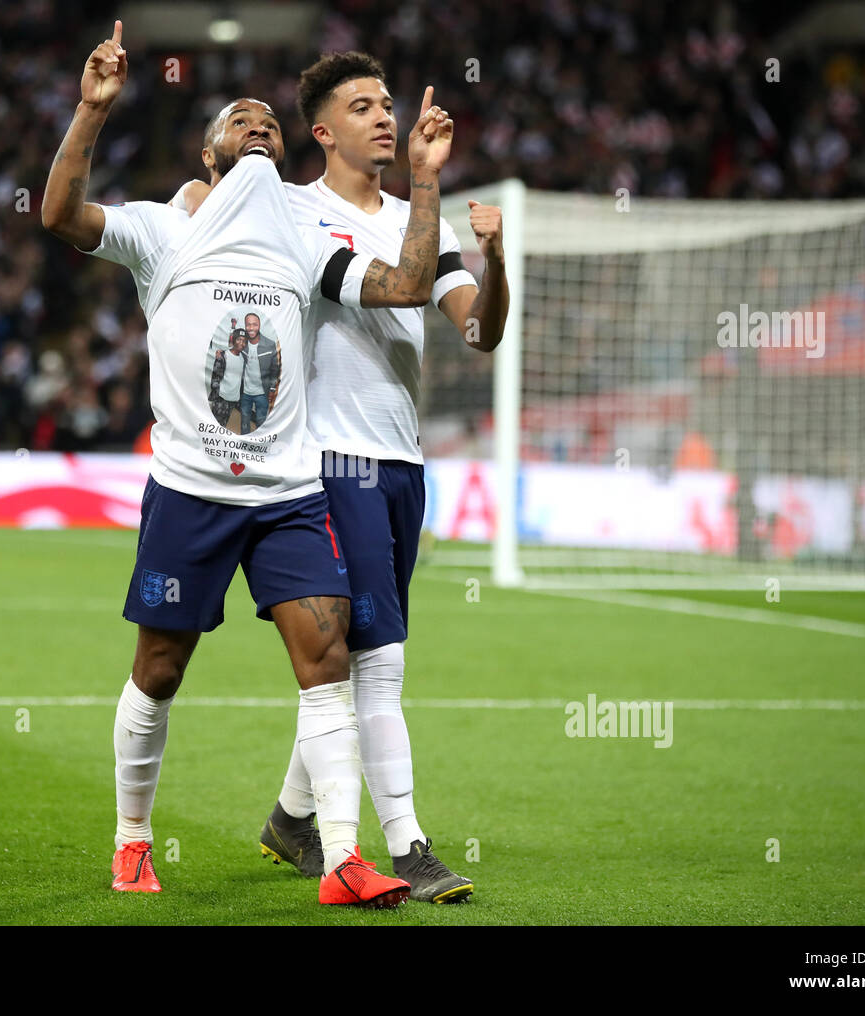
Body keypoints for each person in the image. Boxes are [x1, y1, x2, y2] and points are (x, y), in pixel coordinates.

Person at [41, 22, 455, 907]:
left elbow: (410, 286)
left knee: (329, 657)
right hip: (190, 489)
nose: (261, 127)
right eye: (242, 121)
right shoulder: (165, 230)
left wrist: (422, 181)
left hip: (289, 492)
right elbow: (60, 217)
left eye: (271, 122)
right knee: (160, 668)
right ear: (210, 149)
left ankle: (343, 858)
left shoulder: (303, 242)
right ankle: (132, 841)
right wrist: (90, 111)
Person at [176, 51, 509, 903]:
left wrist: (492, 258)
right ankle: (410, 841)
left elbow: (480, 333)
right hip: (330, 461)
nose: (387, 117)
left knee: (356, 661)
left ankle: (292, 819)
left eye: (389, 103)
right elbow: (398, 288)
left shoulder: (412, 218)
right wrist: (431, 185)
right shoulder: (295, 212)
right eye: (364, 106)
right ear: (322, 132)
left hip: (402, 466)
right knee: (383, 661)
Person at [238, 312, 279, 432]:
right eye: (248, 325)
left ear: (259, 325)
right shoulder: (242, 343)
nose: (251, 328)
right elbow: (234, 351)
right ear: (245, 326)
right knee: (244, 422)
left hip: (262, 393)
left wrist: (272, 389)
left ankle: (258, 447)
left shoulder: (269, 344)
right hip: (245, 392)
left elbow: (274, 370)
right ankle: (244, 446)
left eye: (254, 324)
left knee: (261, 422)